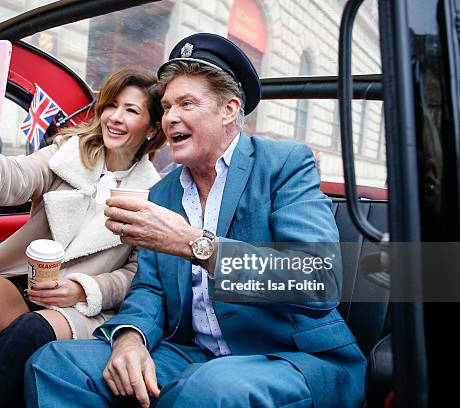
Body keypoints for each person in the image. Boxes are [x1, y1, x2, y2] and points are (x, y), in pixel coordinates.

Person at [24, 33, 366, 408]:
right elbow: (149, 289)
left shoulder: (284, 165)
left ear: (229, 110)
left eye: (187, 103)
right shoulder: (162, 192)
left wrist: (195, 245)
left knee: (211, 388)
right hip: (192, 354)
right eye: (167, 106)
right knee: (55, 362)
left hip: (289, 357)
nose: (170, 117)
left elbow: (318, 280)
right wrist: (129, 338)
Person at [0, 67, 166, 407]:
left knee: (29, 332)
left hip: (84, 309)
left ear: (151, 129)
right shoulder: (67, 153)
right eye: (110, 105)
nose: (114, 118)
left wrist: (83, 289)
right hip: (26, 287)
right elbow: (14, 177)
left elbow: (136, 276)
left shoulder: (156, 194)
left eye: (131, 110)